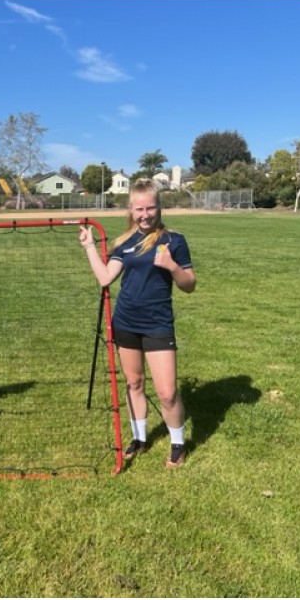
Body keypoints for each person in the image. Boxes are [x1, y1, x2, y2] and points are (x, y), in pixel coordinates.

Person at [79, 178, 196, 469]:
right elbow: (106, 277)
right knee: (134, 383)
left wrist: (171, 266)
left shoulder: (174, 241)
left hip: (158, 324)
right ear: (131, 210)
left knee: (167, 392)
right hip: (126, 323)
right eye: (139, 209)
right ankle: (139, 438)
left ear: (159, 207)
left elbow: (189, 284)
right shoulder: (124, 243)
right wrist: (90, 247)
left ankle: (178, 444)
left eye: (150, 208)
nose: (145, 215)